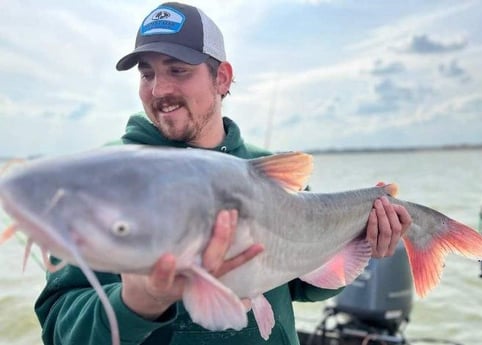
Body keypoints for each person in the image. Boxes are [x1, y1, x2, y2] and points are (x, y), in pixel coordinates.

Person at [34, 2, 412, 345]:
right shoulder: (102, 179)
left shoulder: (269, 171)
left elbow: (298, 284)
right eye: (147, 73)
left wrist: (361, 245)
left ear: (222, 78)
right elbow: (58, 327)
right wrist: (139, 301)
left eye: (178, 70)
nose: (159, 89)